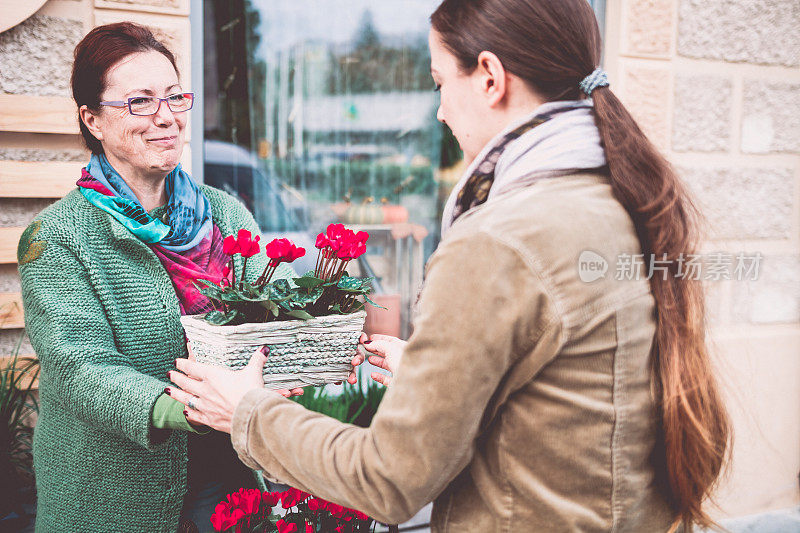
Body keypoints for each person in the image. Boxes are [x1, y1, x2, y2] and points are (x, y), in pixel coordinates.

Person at [168, 0, 731, 531]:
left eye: (440, 82)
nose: (439, 110)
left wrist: (246, 410)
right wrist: (437, 372)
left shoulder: (499, 240)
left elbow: (388, 478)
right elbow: (576, 393)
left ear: (490, 76)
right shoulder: (621, 201)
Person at [17, 22, 332, 532]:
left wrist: (293, 361)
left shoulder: (226, 215)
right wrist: (189, 408)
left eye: (175, 97)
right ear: (92, 119)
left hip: (231, 482)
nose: (165, 117)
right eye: (139, 102)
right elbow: (81, 369)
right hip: (114, 496)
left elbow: (268, 319)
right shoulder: (57, 238)